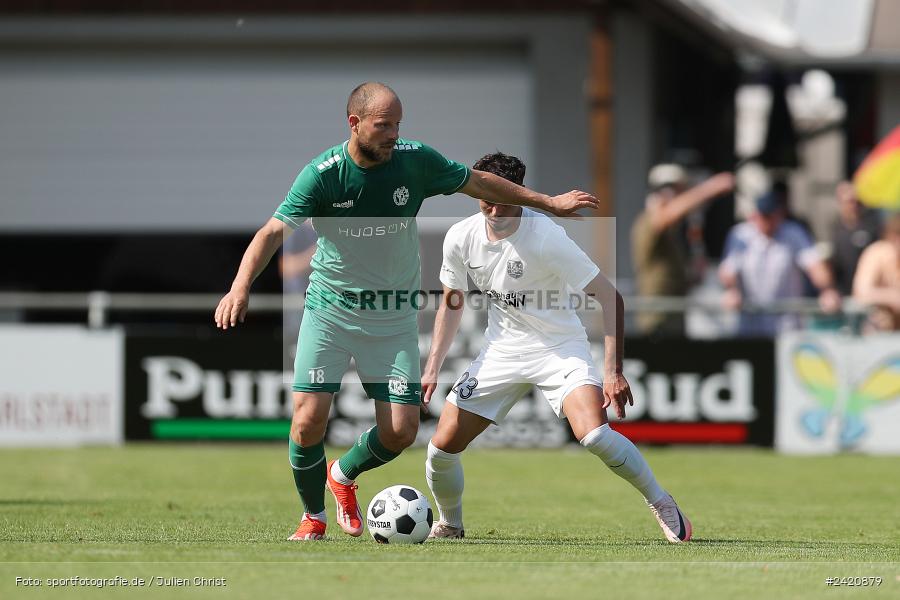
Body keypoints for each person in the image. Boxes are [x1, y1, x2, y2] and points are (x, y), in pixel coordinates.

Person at [213, 82, 599, 542]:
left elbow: (481, 183)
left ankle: (342, 474)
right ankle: (313, 516)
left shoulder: (415, 161)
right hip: (330, 311)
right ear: (354, 123)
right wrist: (240, 287)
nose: (394, 133)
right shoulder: (321, 175)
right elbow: (272, 232)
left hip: (392, 316)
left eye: (398, 124)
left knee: (400, 431)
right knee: (308, 419)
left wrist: (548, 203)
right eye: (384, 125)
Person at [423, 152, 692, 543]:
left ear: (517, 193)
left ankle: (661, 501)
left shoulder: (546, 237)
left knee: (595, 435)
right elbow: (452, 303)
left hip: (558, 347)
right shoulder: (461, 237)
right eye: (485, 198)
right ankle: (450, 524)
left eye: (501, 200)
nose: (492, 208)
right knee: (440, 450)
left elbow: (610, 298)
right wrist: (433, 366)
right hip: (501, 351)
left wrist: (613, 371)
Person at [631, 164, 734, 337]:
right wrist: (710, 188)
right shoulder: (648, 221)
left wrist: (692, 277)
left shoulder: (673, 234)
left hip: (674, 319)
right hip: (657, 320)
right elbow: (665, 217)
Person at [719, 191, 841, 336]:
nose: (767, 222)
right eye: (763, 216)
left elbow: (814, 266)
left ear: (779, 215)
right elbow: (728, 270)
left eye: (771, 216)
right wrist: (731, 290)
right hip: (750, 327)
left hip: (787, 327)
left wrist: (827, 290)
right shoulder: (740, 234)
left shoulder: (794, 233)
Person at [830, 181, 881, 296]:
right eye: (850, 202)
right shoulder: (836, 228)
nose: (854, 205)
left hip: (867, 290)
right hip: (844, 291)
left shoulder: (872, 226)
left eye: (857, 201)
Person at [852, 213, 900, 332]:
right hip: (878, 329)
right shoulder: (877, 253)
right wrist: (893, 297)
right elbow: (862, 292)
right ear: (893, 236)